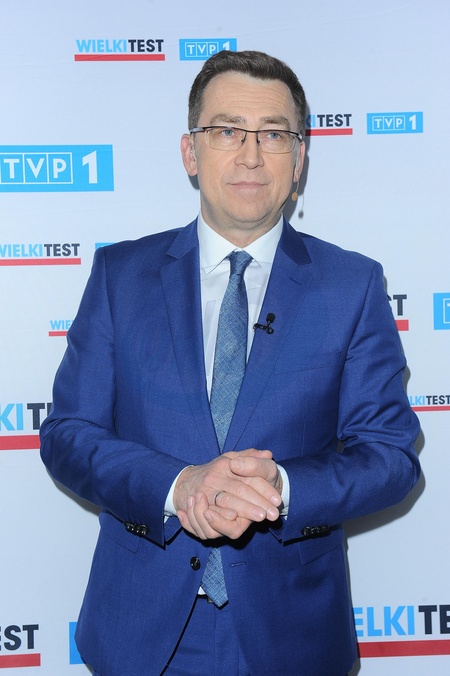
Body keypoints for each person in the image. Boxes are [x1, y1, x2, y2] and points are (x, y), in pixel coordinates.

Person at [40, 50, 421, 676]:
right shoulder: (119, 277)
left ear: (299, 159)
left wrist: (282, 488)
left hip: (292, 633)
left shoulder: (351, 286)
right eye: (226, 131)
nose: (250, 155)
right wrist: (178, 486)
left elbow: (390, 457)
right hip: (143, 632)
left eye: (273, 134)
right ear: (191, 152)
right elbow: (67, 435)